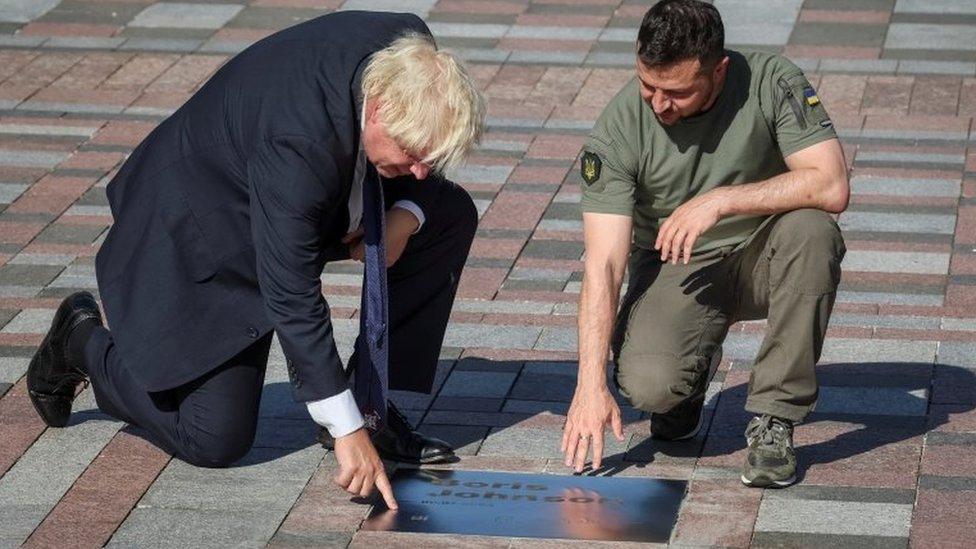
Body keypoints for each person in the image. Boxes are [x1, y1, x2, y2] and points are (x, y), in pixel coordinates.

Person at [26, 11, 486, 509]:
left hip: (299, 201)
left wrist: (407, 214)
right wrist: (344, 428)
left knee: (448, 211)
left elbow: (415, 176)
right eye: (412, 153)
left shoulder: (414, 56)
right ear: (377, 110)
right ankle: (80, 341)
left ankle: (373, 404)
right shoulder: (299, 145)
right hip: (200, 230)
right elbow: (291, 292)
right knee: (213, 436)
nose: (420, 170)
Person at [561, 0, 848, 488]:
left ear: (718, 71)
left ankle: (775, 417)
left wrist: (721, 201)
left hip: (767, 250)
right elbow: (603, 265)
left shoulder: (770, 82)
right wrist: (589, 385)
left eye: (676, 93)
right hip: (677, 265)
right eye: (647, 85)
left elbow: (832, 185)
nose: (657, 104)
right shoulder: (618, 130)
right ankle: (690, 379)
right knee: (650, 388)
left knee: (814, 232)